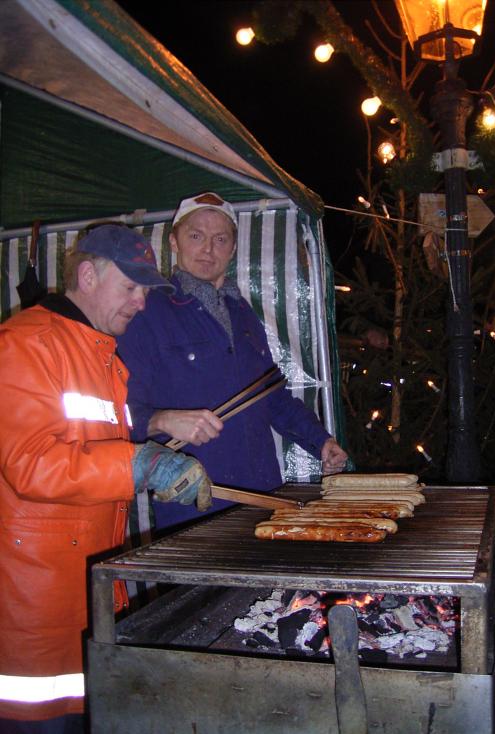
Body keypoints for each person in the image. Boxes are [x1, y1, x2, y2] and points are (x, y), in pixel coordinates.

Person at [0, 224, 212, 734]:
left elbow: (89, 440)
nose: (141, 303)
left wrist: (153, 433)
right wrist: (141, 464)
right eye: (132, 287)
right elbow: (30, 462)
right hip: (36, 601)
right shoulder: (24, 344)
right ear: (89, 274)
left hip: (85, 584)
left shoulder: (100, 355)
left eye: (145, 290)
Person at [117, 192, 348, 531]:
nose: (208, 249)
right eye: (196, 236)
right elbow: (117, 414)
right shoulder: (147, 313)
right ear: (174, 241)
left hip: (263, 499)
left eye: (220, 239)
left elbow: (273, 397)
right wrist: (162, 420)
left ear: (233, 248)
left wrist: (321, 441)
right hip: (194, 510)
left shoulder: (244, 316)